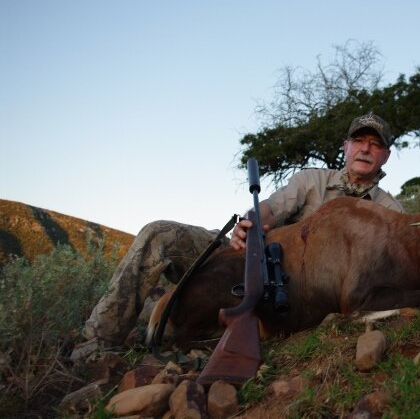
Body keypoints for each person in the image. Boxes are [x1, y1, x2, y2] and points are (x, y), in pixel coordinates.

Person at [77, 113, 403, 354]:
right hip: (247, 254)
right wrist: (248, 225)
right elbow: (272, 208)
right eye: (359, 141)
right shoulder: (312, 179)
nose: (365, 149)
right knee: (158, 235)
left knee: (176, 310)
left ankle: (157, 321)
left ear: (385, 155)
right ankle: (95, 345)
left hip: (294, 289)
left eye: (375, 145)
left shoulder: (390, 211)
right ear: (345, 146)